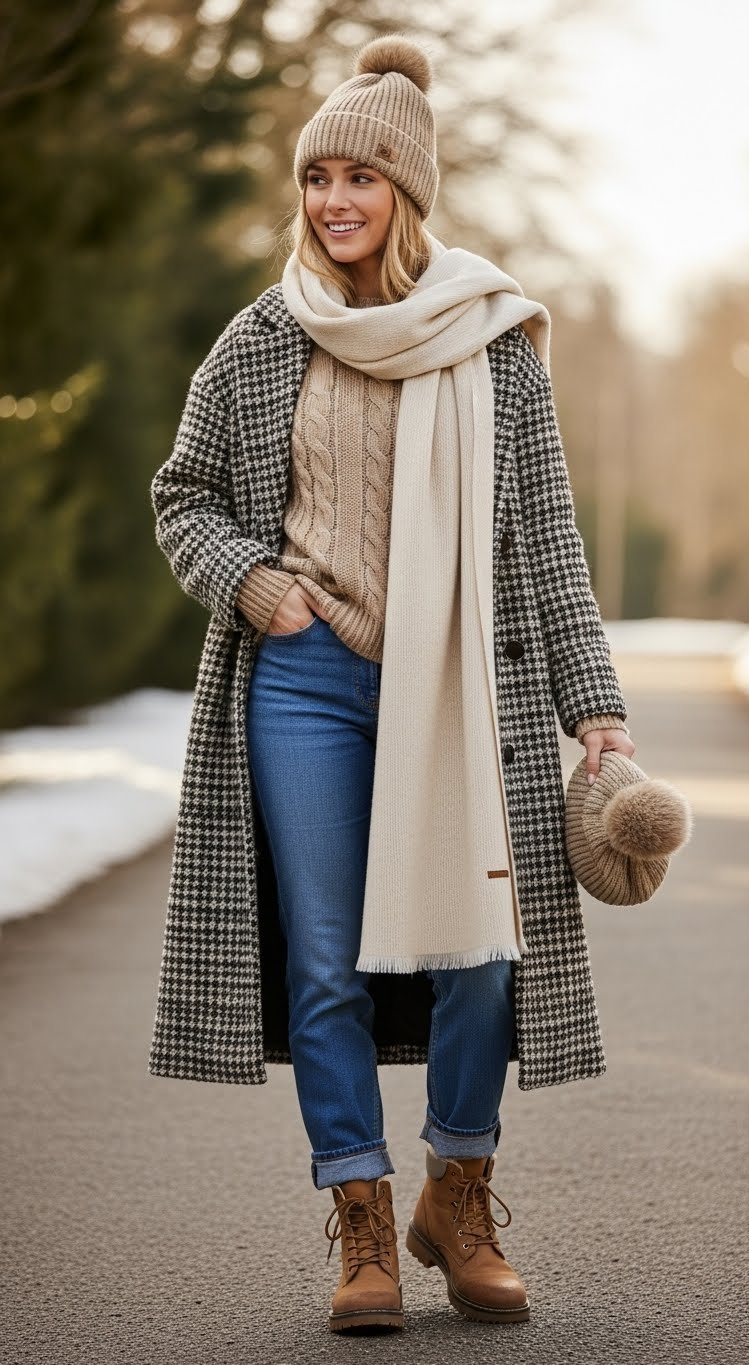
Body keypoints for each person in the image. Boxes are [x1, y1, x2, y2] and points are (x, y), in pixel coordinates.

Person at [148, 32, 635, 1335]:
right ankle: (361, 1217)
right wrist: (260, 586)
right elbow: (186, 495)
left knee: (481, 949)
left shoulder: (493, 343)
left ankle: (456, 1193)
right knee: (325, 963)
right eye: (318, 177)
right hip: (305, 681)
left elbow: (546, 535)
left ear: (408, 192)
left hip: (457, 687)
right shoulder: (263, 338)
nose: (335, 202)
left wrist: (594, 699)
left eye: (363, 177)